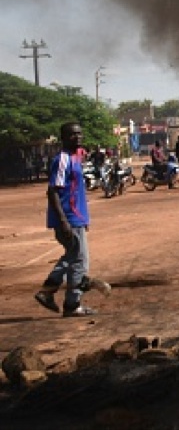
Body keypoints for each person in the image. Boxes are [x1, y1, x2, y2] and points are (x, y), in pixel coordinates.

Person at [33, 122, 109, 317]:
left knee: (74, 258)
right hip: (68, 218)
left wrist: (83, 219)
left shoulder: (75, 158)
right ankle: (70, 303)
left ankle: (51, 293)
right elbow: (53, 192)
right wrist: (64, 221)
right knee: (79, 260)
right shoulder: (63, 159)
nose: (78, 137)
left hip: (76, 218)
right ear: (64, 138)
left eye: (80, 134)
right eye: (73, 135)